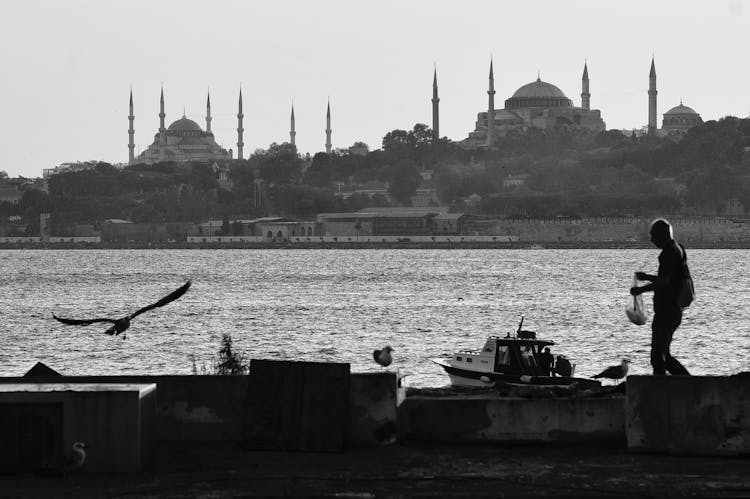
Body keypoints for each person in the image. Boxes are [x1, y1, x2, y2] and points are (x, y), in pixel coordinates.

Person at [630, 218, 691, 376]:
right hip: (675, 311)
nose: (651, 239)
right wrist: (648, 277)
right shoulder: (678, 248)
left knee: (657, 356)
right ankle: (689, 383)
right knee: (665, 355)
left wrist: (640, 290)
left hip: (666, 311)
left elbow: (664, 282)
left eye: (653, 235)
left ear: (662, 235)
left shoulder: (667, 253)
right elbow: (671, 278)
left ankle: (660, 389)